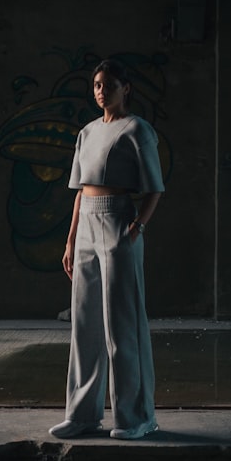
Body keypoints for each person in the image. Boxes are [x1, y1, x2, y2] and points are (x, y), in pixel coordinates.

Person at [48, 58, 165, 441]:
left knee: (123, 325)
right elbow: (81, 191)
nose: (101, 90)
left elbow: (154, 190)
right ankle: (82, 415)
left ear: (125, 88)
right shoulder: (87, 132)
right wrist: (70, 239)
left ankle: (136, 417)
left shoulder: (138, 131)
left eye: (109, 84)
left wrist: (136, 230)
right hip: (86, 227)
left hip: (119, 222)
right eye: (97, 85)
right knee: (85, 325)